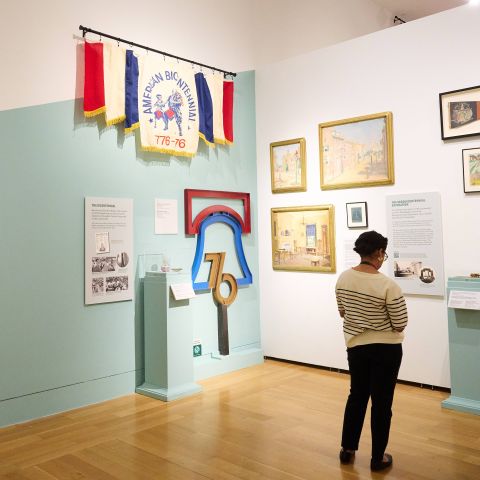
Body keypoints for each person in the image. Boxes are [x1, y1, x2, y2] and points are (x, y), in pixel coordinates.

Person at [335, 231, 408, 472]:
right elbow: (399, 323)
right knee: (381, 402)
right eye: (383, 254)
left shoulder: (343, 279)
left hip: (356, 347)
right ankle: (377, 458)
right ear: (378, 252)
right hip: (386, 350)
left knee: (356, 396)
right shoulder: (388, 285)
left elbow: (343, 312)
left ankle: (347, 449)